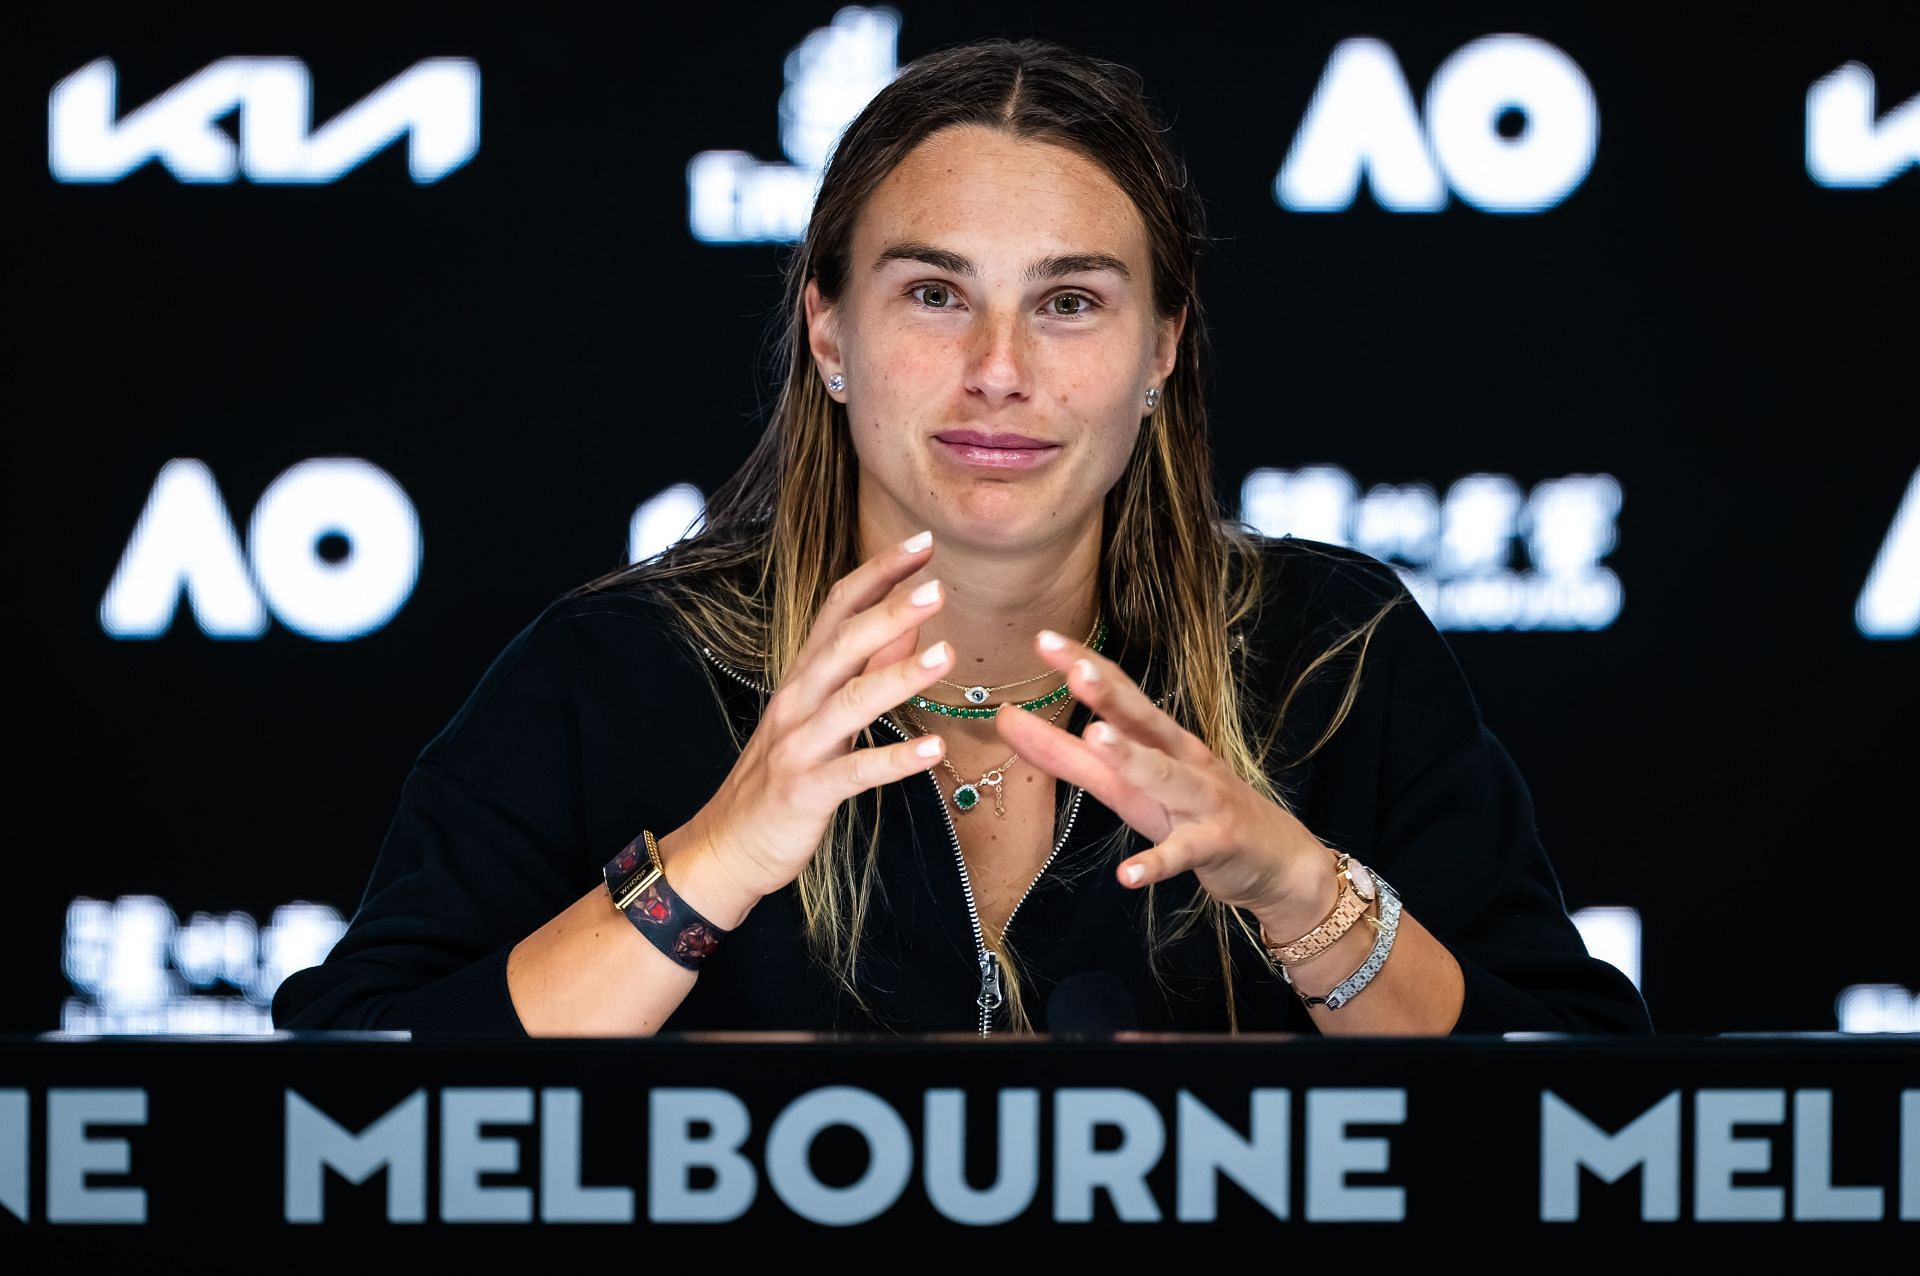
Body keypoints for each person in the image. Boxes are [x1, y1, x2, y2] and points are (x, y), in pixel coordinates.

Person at [272, 37, 1653, 1040]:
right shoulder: (609, 676)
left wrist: (1300, 891)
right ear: (829, 330)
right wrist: (710, 864)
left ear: (1162, 347)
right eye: (935, 294)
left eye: (1070, 303)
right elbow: (348, 1098)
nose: (999, 369)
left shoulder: (1331, 662)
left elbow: (1585, 1113)